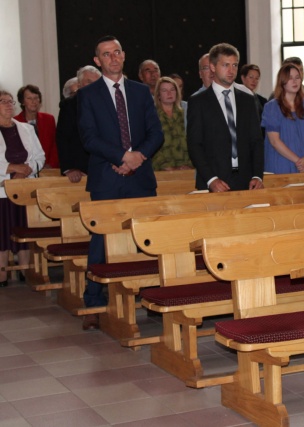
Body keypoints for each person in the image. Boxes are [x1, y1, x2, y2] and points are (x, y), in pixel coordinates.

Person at [77, 35, 163, 329]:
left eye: (117, 52)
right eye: (106, 54)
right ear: (97, 60)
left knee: (148, 240)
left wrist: (138, 157)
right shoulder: (88, 95)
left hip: (140, 177)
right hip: (106, 178)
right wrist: (122, 156)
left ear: (124, 55)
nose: (113, 58)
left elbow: (156, 133)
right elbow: (89, 138)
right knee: (100, 242)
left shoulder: (140, 92)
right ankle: (93, 303)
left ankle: (153, 298)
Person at [187, 43, 263, 192]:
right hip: (213, 182)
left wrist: (257, 175)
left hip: (246, 181)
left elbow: (256, 141)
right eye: (225, 65)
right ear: (213, 67)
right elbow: (194, 145)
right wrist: (211, 179)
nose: (231, 70)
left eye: (234, 65)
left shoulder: (247, 100)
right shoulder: (198, 102)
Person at [0, 90, 45, 287]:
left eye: (11, 102)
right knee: (2, 232)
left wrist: (26, 170)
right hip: (2, 190)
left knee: (24, 229)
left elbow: (40, 156)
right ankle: (2, 275)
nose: (9, 105)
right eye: (3, 101)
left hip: (25, 187)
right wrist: (11, 169)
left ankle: (25, 271)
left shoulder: (26, 128)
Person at [261, 64, 304, 174]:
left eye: (297, 77)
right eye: (290, 78)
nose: (295, 81)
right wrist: (298, 161)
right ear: (282, 81)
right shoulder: (272, 107)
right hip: (281, 164)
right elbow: (274, 141)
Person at [56, 65, 102, 183]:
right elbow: (63, 138)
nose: (93, 85)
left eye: (97, 82)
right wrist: (69, 168)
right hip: (80, 170)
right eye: (89, 82)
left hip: (105, 166)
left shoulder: (108, 104)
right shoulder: (69, 105)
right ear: (80, 84)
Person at [14, 84, 58, 169]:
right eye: (29, 98)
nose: (33, 101)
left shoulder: (49, 119)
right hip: (25, 169)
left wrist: (51, 164)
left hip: (48, 168)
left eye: (36, 98)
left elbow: (55, 144)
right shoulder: (15, 122)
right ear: (22, 102)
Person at [152, 76, 191, 171]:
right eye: (164, 90)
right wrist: (167, 167)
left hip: (188, 168)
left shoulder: (187, 113)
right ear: (158, 95)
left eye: (172, 90)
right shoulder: (151, 116)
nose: (169, 93)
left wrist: (189, 165)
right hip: (161, 170)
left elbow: (195, 141)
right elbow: (151, 145)